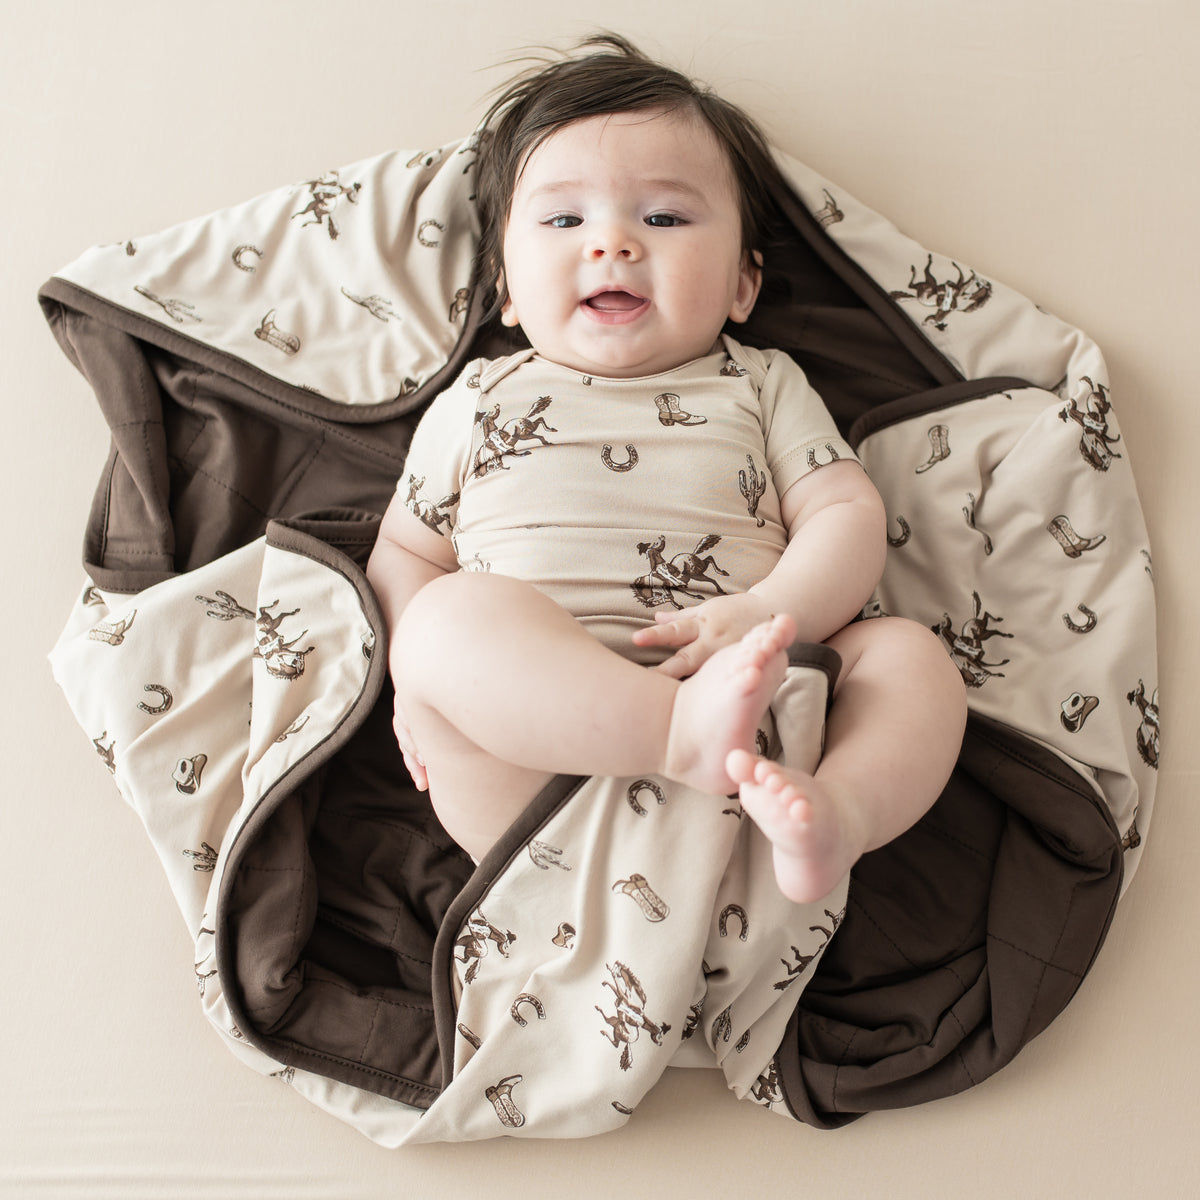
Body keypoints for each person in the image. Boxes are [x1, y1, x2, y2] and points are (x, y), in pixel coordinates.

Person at [366, 34, 966, 905]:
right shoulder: (477, 397)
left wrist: (766, 611)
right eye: (565, 220)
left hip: (755, 745)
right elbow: (404, 554)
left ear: (741, 288)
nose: (612, 244)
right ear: (503, 286)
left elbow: (845, 513)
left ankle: (840, 813)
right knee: (440, 621)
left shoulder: (759, 383)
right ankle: (669, 730)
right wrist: (410, 686)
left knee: (907, 657)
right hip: (532, 772)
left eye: (665, 218)